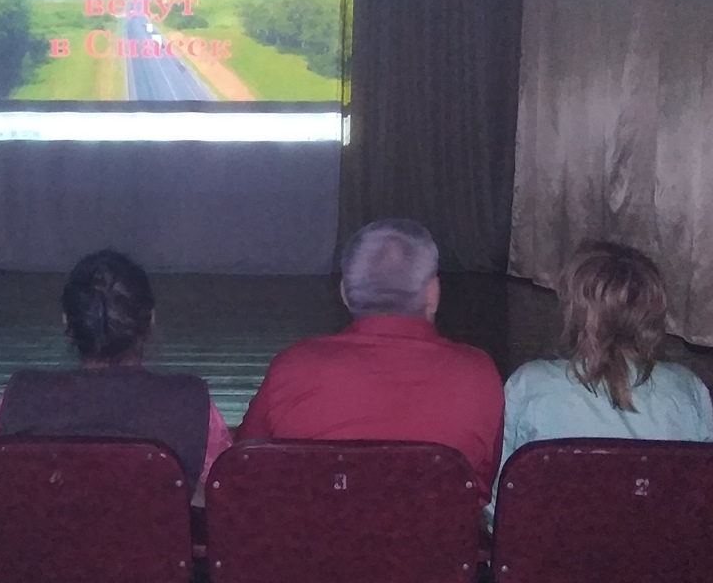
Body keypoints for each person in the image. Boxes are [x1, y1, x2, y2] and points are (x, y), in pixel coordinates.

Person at [237, 218, 505, 505]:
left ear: (345, 293)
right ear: (432, 293)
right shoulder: (478, 375)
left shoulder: (292, 368)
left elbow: (243, 467)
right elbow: (481, 485)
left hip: (314, 534)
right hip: (440, 535)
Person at [487, 240, 713, 521]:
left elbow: (500, 505)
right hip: (662, 548)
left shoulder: (530, 385)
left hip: (555, 547)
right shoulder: (688, 390)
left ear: (574, 311)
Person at [0, 249, 232, 498]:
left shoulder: (21, 396)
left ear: (67, 323)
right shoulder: (190, 402)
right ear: (151, 320)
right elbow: (228, 489)